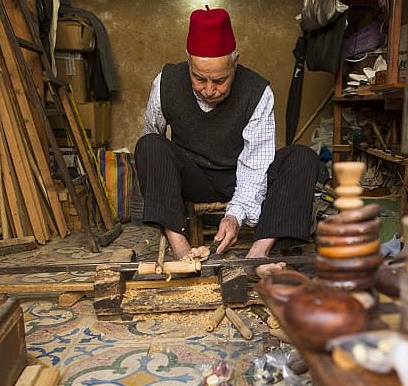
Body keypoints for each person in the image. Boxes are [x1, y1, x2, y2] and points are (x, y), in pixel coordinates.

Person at [135, 6, 319, 277]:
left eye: (220, 80)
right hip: (193, 177)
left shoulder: (257, 92)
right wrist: (165, 177)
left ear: (235, 64)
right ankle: (181, 248)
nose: (209, 90)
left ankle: (259, 253)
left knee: (302, 157)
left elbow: (256, 166)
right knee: (149, 144)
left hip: (240, 176)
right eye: (199, 78)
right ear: (189, 64)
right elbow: (154, 136)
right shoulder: (166, 83)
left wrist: (234, 215)